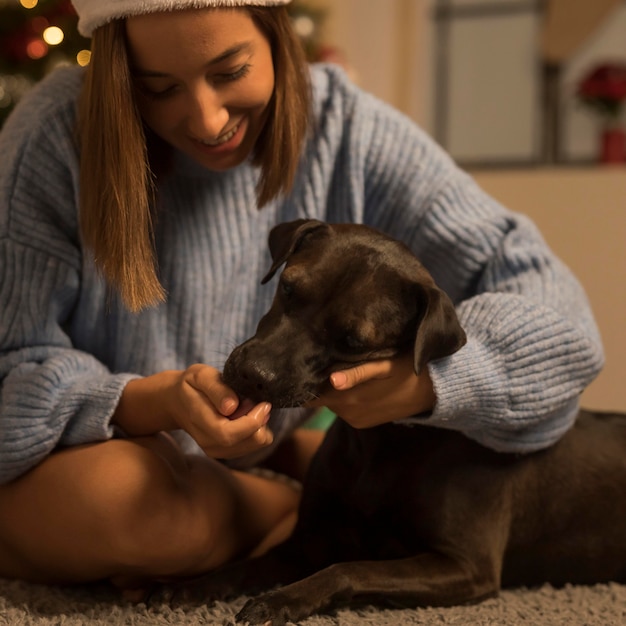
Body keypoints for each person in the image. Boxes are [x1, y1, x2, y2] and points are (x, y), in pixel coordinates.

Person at [0, 0, 604, 594]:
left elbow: (566, 327)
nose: (207, 121)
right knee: (119, 496)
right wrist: (151, 404)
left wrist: (428, 385)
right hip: (88, 459)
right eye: (158, 88)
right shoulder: (55, 135)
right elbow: (10, 370)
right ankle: (277, 501)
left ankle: (262, 498)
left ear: (277, 34)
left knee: (151, 518)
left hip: (194, 480)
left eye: (230, 72)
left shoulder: (351, 132)